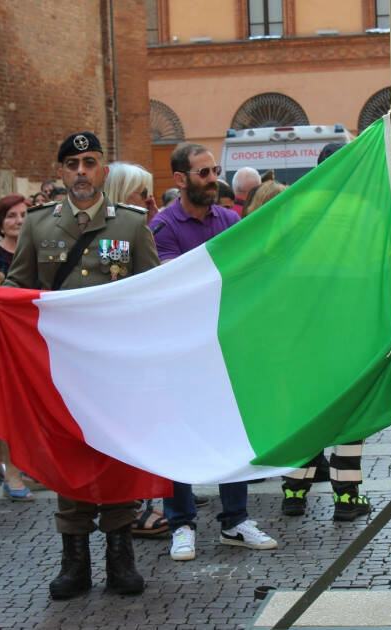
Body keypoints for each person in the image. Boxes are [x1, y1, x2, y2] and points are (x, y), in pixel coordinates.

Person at [2, 131, 160, 599]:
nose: (81, 173)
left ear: (103, 173)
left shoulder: (130, 226)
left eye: (90, 163)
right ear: (61, 173)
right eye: (72, 165)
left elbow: (150, 295)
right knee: (66, 454)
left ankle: (120, 557)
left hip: (114, 371)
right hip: (60, 371)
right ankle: (74, 562)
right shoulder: (38, 226)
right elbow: (18, 292)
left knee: (113, 455)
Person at [149, 142, 277, 561]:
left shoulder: (229, 219)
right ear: (180, 180)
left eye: (215, 170)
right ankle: (181, 523)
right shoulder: (164, 227)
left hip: (225, 346)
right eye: (203, 173)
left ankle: (235, 521)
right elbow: (175, 285)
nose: (213, 179)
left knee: (231, 432)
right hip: (183, 349)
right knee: (179, 435)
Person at [280, 139, 371, 522]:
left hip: (303, 329)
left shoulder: (295, 207)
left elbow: (274, 260)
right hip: (348, 329)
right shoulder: (367, 209)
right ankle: (346, 498)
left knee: (303, 411)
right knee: (350, 414)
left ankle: (294, 490)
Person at [103, 162, 169, 538]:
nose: (148, 200)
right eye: (140, 193)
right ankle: (131, 506)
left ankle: (143, 503)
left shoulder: (142, 226)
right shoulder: (119, 235)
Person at [0, 194, 35, 501]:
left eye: (24, 214)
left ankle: (28, 464)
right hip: (2, 340)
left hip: (30, 340)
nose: (19, 221)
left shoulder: (37, 250)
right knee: (6, 404)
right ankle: (11, 470)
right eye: (11, 215)